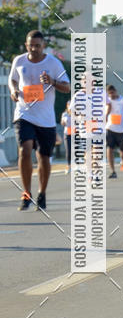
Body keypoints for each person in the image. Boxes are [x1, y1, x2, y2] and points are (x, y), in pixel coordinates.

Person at [9, 30, 70, 211]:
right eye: (31, 45)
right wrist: (13, 91)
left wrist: (52, 81)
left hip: (45, 119)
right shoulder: (19, 61)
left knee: (44, 157)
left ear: (43, 46)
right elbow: (13, 80)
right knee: (25, 149)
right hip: (24, 114)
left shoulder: (53, 63)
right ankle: (26, 193)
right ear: (26, 45)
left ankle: (42, 193)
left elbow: (66, 88)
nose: (34, 49)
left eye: (37, 45)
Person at [105, 85, 123, 178]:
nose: (111, 95)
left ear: (115, 91)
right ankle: (113, 171)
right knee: (109, 149)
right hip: (110, 128)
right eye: (109, 93)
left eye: (112, 92)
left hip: (122, 129)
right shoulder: (107, 102)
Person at [60, 100, 72, 174]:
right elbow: (62, 123)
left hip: (76, 134)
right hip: (67, 134)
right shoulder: (64, 114)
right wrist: (63, 122)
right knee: (68, 151)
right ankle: (68, 166)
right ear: (67, 106)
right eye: (69, 105)